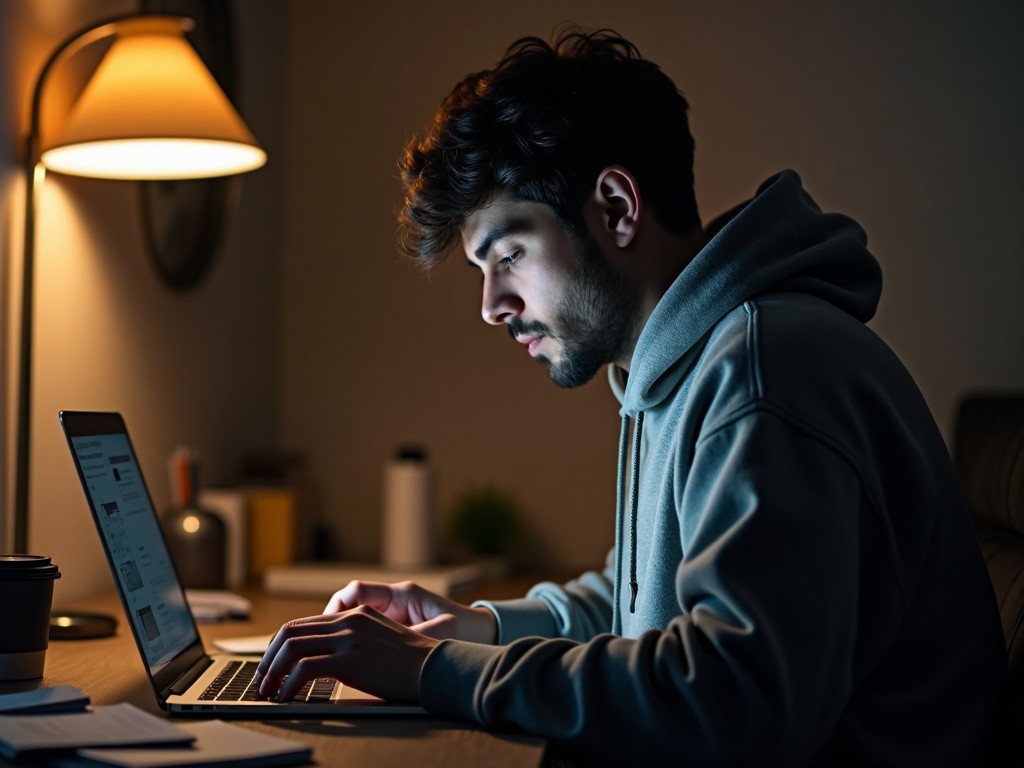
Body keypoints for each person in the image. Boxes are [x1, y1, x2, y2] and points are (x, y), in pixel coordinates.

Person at [256, 27, 1007, 765]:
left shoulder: (765, 374)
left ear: (615, 208)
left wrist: (429, 672)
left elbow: (732, 704)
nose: (492, 304)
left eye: (509, 254)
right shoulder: (688, 364)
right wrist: (473, 630)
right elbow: (635, 605)